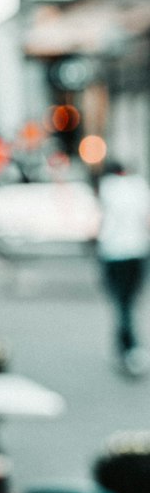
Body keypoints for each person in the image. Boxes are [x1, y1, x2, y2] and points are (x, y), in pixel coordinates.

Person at [97, 160, 150, 375]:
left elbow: (100, 220)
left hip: (113, 251)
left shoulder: (107, 188)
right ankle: (125, 347)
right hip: (138, 250)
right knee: (129, 301)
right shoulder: (139, 186)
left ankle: (129, 348)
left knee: (121, 302)